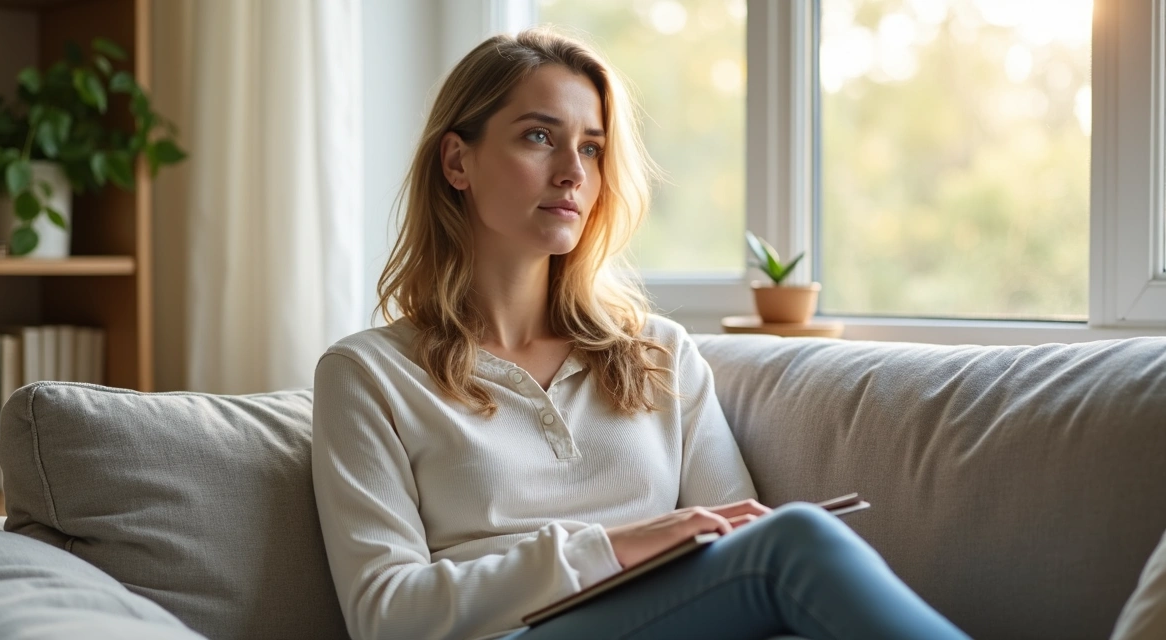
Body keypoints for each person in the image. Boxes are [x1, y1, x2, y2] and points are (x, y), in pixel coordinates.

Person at [311, 28, 972, 640]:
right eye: (539, 137)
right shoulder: (368, 375)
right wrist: (617, 546)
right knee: (794, 541)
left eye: (592, 148)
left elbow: (732, 537)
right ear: (457, 161)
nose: (573, 171)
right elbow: (386, 613)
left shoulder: (657, 354)